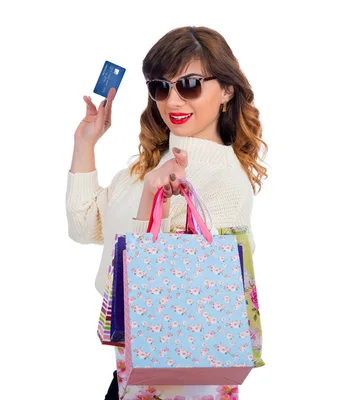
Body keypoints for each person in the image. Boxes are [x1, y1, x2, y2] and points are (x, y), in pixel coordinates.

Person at [65, 26, 267, 400]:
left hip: (184, 385)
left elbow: (163, 293)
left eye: (189, 84)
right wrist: (85, 143)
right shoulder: (147, 168)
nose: (173, 100)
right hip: (132, 374)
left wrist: (150, 199)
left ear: (226, 90)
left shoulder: (225, 184)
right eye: (161, 86)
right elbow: (83, 227)